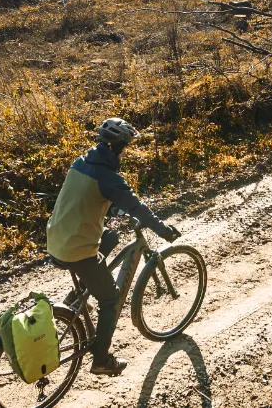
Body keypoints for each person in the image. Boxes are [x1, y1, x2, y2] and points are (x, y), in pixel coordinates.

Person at [47, 117, 180, 376]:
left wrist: (114, 205)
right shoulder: (109, 178)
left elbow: (87, 198)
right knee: (110, 299)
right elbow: (138, 208)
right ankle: (101, 360)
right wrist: (163, 230)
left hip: (56, 238)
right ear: (120, 146)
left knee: (111, 238)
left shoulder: (81, 162)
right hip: (76, 249)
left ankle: (78, 296)